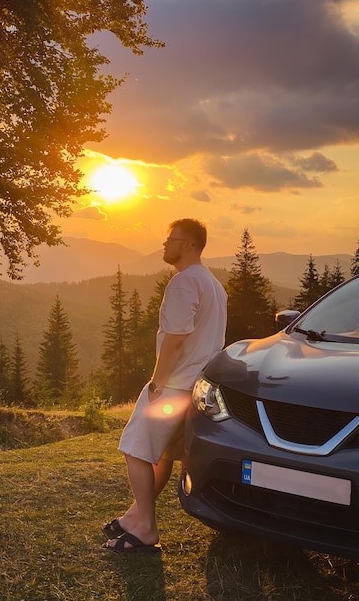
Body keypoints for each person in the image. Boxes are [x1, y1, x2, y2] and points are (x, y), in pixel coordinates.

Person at [103, 218, 227, 553]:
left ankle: (145, 529)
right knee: (161, 455)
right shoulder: (214, 284)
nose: (164, 244)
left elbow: (175, 339)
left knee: (135, 449)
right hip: (196, 386)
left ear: (188, 244)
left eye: (170, 239)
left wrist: (158, 382)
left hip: (173, 384)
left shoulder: (185, 282)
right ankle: (134, 517)